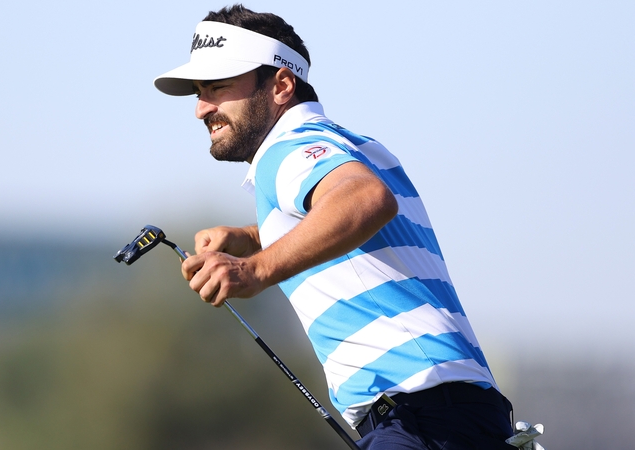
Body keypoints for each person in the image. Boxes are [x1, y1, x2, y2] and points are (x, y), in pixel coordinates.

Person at [153, 4, 516, 449]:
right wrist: (251, 236)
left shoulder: (285, 151)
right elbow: (346, 218)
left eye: (219, 87)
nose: (201, 108)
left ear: (281, 85)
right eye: (199, 91)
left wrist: (256, 269)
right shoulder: (351, 144)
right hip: (453, 412)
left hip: (421, 412)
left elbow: (366, 200)